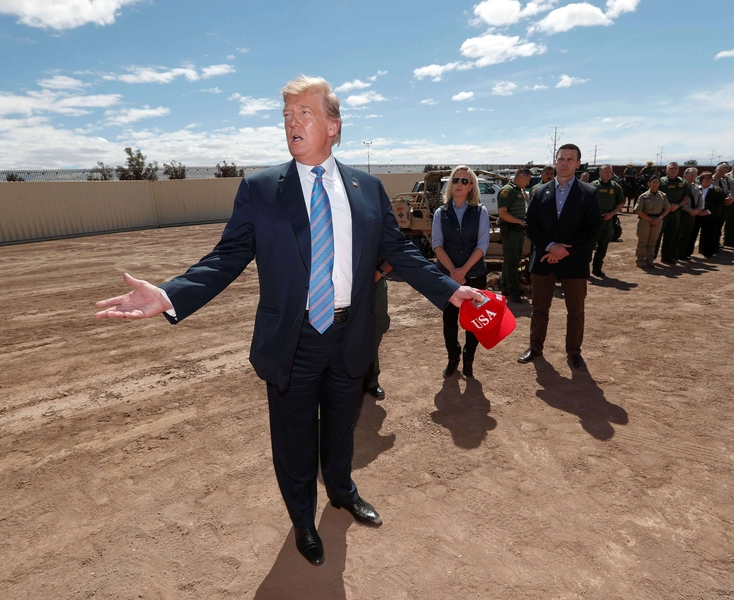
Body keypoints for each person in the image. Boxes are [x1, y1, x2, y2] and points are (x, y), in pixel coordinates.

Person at [93, 75, 483, 567]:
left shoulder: (367, 189)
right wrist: (170, 294)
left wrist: (450, 291)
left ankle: (341, 490)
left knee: (342, 426)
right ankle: (303, 517)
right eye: (286, 115)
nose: (291, 123)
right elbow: (227, 257)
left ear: (333, 126)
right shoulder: (261, 189)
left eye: (304, 113)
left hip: (350, 332)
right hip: (292, 339)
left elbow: (398, 250)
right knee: (294, 437)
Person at [518, 143, 601, 371]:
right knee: (539, 309)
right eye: (561, 158)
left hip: (573, 261)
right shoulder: (539, 191)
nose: (564, 163)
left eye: (569, 159)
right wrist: (550, 246)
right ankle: (535, 349)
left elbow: (593, 230)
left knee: (575, 311)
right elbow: (530, 225)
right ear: (555, 161)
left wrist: (564, 251)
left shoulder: (588, 193)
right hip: (544, 260)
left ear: (578, 163)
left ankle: (574, 352)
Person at [433, 166, 491, 379]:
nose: (459, 184)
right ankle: (453, 358)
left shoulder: (480, 211)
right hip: (448, 277)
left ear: (471, 186)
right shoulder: (441, 213)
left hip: (474, 274)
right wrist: (453, 273)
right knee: (449, 320)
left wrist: (463, 271)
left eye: (465, 181)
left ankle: (468, 360)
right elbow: (437, 245)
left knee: (474, 321)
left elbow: (482, 244)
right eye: (455, 180)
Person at [497, 168, 531, 303]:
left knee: (512, 261)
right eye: (528, 180)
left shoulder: (518, 191)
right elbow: (503, 214)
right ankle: (513, 291)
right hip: (510, 231)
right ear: (521, 176)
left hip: (517, 232)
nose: (528, 183)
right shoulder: (507, 191)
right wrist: (520, 221)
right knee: (512, 263)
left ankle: (505, 287)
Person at [363, 258, 392, 399]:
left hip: (375, 284)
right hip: (343, 284)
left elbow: (394, 253)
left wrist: (380, 272)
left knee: (375, 331)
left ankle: (372, 380)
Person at [590, 164, 625, 277]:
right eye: (605, 171)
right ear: (600, 173)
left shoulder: (615, 187)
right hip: (593, 220)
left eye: (610, 171)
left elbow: (621, 203)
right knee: (589, 244)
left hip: (608, 220)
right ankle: (585, 269)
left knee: (603, 244)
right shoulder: (593, 185)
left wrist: (612, 213)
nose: (608, 173)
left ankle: (597, 268)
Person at [634, 175, 670, 269]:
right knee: (643, 241)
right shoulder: (643, 196)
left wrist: (659, 219)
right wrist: (650, 220)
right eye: (653, 182)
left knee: (653, 241)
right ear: (648, 184)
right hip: (645, 220)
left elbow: (667, 209)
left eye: (657, 182)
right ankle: (641, 260)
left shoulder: (663, 196)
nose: (655, 184)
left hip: (658, 220)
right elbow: (638, 210)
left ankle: (650, 260)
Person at [656, 162, 687, 265]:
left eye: (676, 168)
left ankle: (667, 257)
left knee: (671, 235)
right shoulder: (661, 181)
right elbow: (656, 196)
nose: (673, 170)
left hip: (676, 212)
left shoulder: (683, 182)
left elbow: (686, 197)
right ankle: (652, 257)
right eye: (671, 168)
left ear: (678, 170)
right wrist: (667, 206)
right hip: (662, 212)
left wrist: (678, 205)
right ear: (666, 170)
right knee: (657, 235)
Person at [678, 167, 705, 260]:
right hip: (683, 213)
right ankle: (676, 254)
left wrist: (698, 209)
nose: (693, 177)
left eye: (695, 176)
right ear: (684, 175)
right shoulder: (680, 186)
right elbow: (679, 201)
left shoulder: (696, 187)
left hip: (693, 214)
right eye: (691, 175)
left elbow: (701, 199)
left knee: (688, 234)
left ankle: (684, 253)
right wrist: (690, 210)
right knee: (679, 235)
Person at [697, 172, 726, 258]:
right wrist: (697, 211)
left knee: (709, 234)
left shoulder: (718, 190)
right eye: (705, 178)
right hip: (697, 214)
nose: (708, 179)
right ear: (701, 180)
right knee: (692, 234)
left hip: (711, 216)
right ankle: (687, 253)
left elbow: (720, 204)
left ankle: (708, 252)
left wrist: (708, 211)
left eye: (709, 178)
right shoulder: (696, 188)